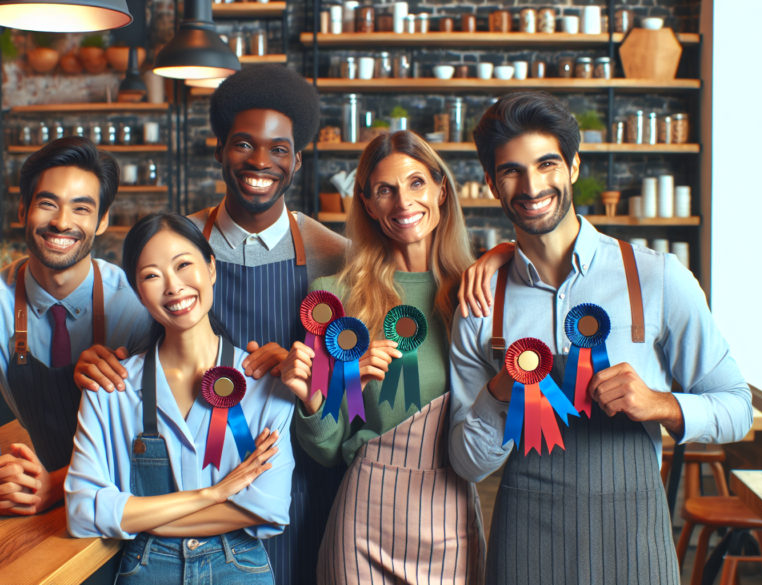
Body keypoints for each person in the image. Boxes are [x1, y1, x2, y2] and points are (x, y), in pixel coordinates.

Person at [447, 92, 752, 583]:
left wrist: (659, 404)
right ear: (491, 183)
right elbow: (465, 463)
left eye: (547, 164)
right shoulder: (482, 302)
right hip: (527, 540)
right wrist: (501, 391)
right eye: (511, 171)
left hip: (636, 537)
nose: (531, 185)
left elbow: (737, 407)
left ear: (572, 167)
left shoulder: (657, 278)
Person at [73, 65, 346, 585]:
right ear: (220, 149)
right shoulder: (181, 248)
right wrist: (96, 357)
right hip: (180, 496)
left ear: (297, 159)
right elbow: (136, 349)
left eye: (279, 149)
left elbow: (343, 394)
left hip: (292, 481)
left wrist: (306, 379)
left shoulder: (332, 256)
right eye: (243, 145)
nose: (261, 162)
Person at [279, 131, 485, 583]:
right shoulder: (332, 298)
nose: (402, 202)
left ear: (440, 190)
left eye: (415, 183)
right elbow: (327, 449)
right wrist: (321, 395)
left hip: (451, 516)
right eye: (384, 190)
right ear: (368, 204)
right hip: (364, 519)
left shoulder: (478, 294)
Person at [65, 213, 295, 584]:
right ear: (139, 292)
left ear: (211, 268)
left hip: (239, 568)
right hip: (145, 570)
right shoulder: (110, 389)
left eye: (184, 265)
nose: (173, 287)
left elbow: (268, 506)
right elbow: (82, 511)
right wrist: (215, 493)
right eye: (152, 275)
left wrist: (138, 515)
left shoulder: (267, 383)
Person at [0, 137, 152, 515]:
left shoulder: (135, 304)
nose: (61, 222)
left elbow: (152, 433)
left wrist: (55, 486)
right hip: (42, 495)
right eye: (47, 203)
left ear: (102, 220)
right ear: (23, 209)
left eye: (81, 208)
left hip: (133, 498)